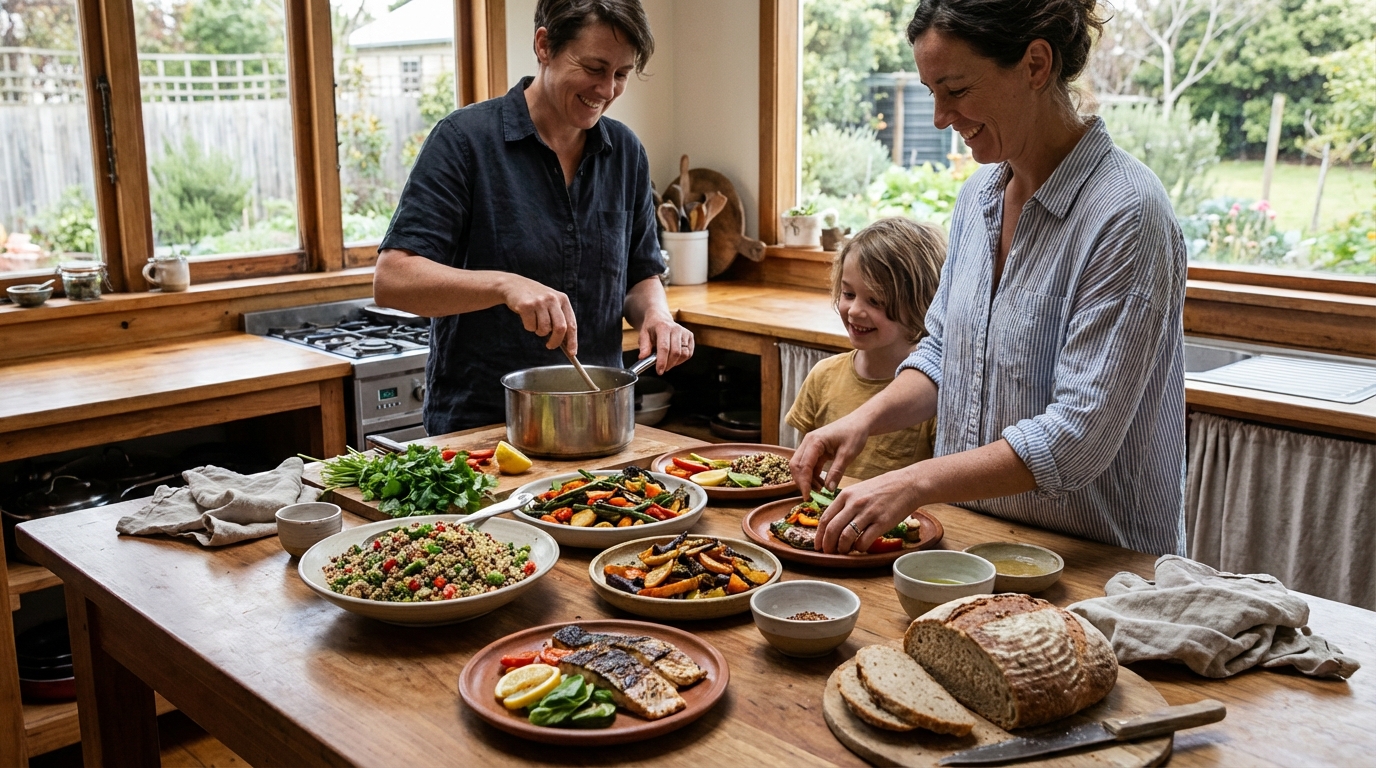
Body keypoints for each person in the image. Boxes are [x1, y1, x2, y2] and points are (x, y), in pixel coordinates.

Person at [792, 0, 1187, 557]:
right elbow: (944, 355)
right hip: (972, 544)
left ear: (1034, 65)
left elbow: (1077, 438)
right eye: (931, 92)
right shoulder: (979, 198)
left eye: (954, 90)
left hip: (1096, 564)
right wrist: (862, 421)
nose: (939, 117)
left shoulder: (1127, 213)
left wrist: (916, 479)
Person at [372, 0, 693, 436]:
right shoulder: (464, 141)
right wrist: (505, 285)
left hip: (596, 425)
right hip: (481, 428)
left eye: (621, 74)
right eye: (594, 68)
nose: (606, 89)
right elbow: (393, 278)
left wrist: (656, 315)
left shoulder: (626, 153)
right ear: (544, 45)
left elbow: (640, 274)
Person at [786, 217, 945, 480]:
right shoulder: (823, 375)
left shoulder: (932, 396)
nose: (855, 310)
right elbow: (806, 469)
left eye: (875, 300)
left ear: (921, 303)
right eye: (848, 294)